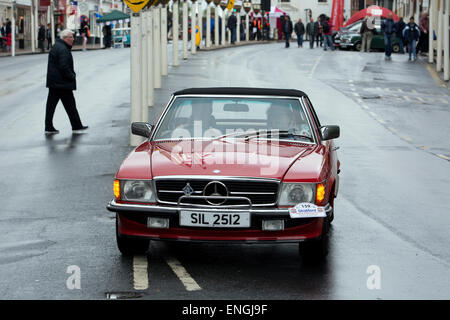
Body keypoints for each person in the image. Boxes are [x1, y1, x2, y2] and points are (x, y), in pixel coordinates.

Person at [44, 29, 88, 134]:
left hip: (55, 82)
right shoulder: (63, 49)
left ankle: (49, 126)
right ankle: (76, 125)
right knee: (70, 105)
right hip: (62, 83)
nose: (73, 39)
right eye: (71, 37)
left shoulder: (57, 46)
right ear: (65, 38)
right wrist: (72, 76)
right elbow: (64, 66)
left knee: (52, 106)